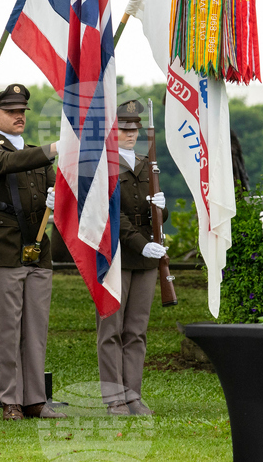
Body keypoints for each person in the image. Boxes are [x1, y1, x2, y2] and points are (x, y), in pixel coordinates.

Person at [0, 83, 64, 421]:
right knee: (7, 328)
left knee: (36, 329)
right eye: (11, 112)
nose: (19, 116)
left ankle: (35, 399)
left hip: (37, 248)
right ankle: (11, 399)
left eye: (22, 111)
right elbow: (9, 163)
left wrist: (59, 196)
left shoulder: (38, 153)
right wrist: (53, 148)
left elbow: (56, 184)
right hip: (3, 247)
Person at [97, 100, 167, 416]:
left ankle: (133, 395)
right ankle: (114, 398)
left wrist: (162, 207)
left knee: (136, 330)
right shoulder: (105, 166)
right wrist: (141, 244)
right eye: (124, 128)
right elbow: (114, 216)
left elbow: (153, 214)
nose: (130, 133)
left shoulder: (145, 163)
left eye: (134, 128)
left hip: (145, 258)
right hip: (116, 256)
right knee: (111, 329)